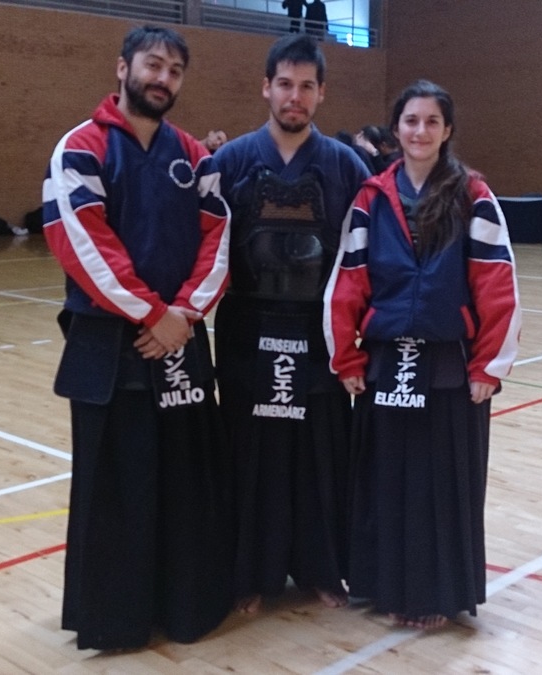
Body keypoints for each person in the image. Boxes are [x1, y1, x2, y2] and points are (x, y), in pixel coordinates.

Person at [42, 25, 233, 651]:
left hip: (181, 341)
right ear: (123, 68)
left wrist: (184, 313)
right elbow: (82, 242)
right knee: (117, 488)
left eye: (175, 71)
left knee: (183, 481)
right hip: (112, 348)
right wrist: (154, 316)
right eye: (153, 65)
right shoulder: (81, 148)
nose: (163, 79)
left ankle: (185, 609)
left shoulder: (196, 158)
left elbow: (219, 241)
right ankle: (117, 620)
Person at [325, 79, 521, 629]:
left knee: (442, 484)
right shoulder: (371, 198)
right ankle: (386, 586)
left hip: (449, 366)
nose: (420, 131)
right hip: (385, 362)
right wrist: (347, 358)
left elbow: (497, 283)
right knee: (387, 481)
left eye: (432, 121)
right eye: (411, 120)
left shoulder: (474, 195)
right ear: (397, 128)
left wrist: (488, 366)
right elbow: (347, 281)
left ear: (447, 129)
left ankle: (436, 595)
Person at [212, 33, 370, 615]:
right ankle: (250, 574)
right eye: (285, 84)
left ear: (321, 93)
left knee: (318, 453)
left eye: (306, 86)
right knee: (250, 453)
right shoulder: (228, 163)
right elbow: (203, 250)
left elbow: (365, 257)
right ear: (266, 88)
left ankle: (321, 569)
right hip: (247, 328)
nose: (294, 96)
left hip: (318, 332)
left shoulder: (347, 167)